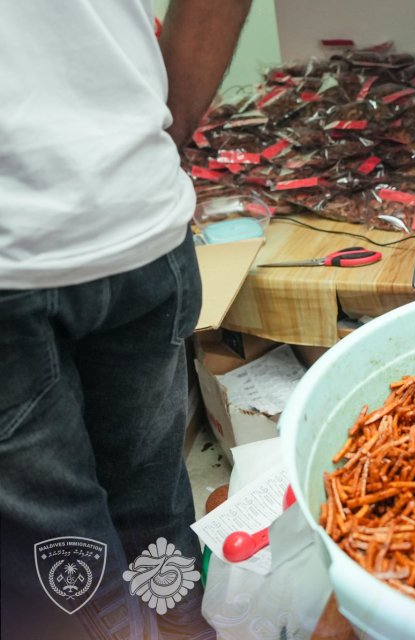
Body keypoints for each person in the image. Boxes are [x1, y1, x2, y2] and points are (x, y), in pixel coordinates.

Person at [0, 0, 251, 637]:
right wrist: (159, 140)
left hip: (17, 257)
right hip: (136, 216)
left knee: (61, 539)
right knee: (148, 493)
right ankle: (182, 626)